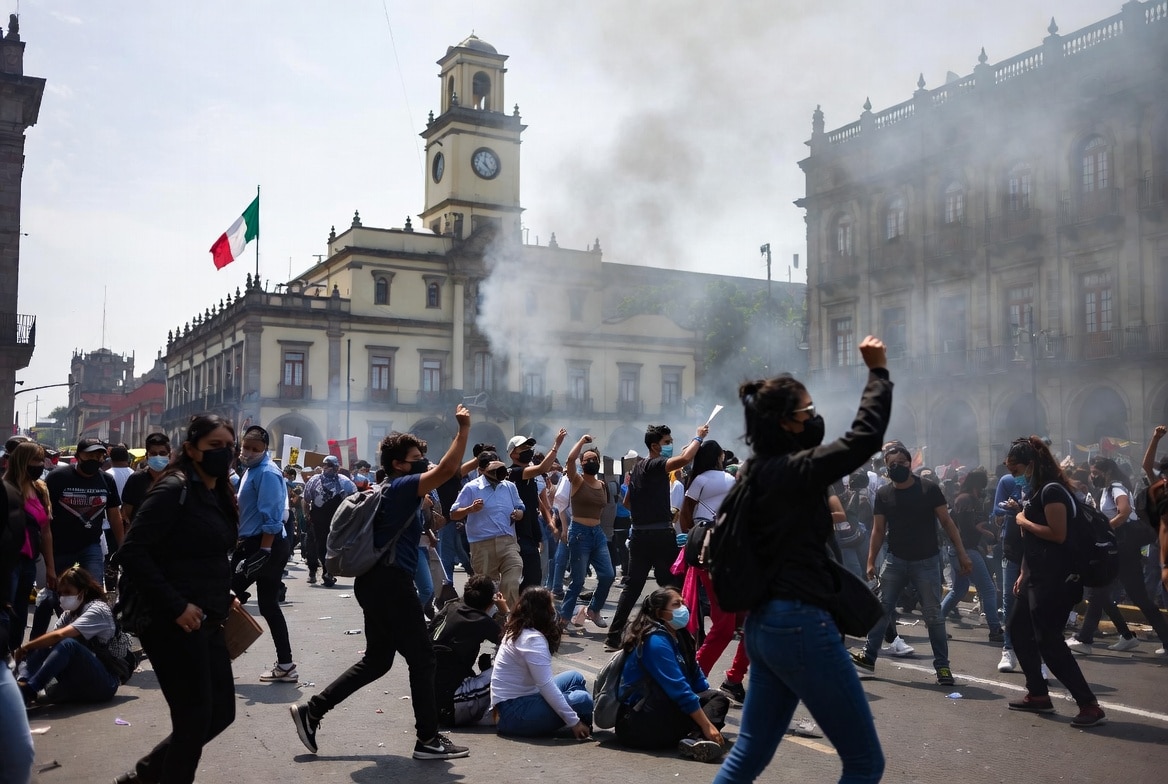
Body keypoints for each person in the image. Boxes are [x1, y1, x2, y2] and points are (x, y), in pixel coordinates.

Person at [712, 335, 890, 784]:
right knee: (865, 763)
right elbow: (864, 437)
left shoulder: (756, 470)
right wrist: (878, 373)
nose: (815, 419)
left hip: (764, 627)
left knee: (748, 752)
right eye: (806, 413)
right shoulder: (793, 471)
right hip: (800, 623)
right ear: (785, 423)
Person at [291, 406, 473, 761]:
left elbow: (452, 471)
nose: (424, 462)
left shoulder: (394, 488)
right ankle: (428, 739)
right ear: (399, 465)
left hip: (375, 583)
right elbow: (448, 469)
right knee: (423, 659)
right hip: (391, 584)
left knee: (377, 661)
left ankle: (312, 711)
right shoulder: (403, 487)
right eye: (417, 458)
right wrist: (463, 429)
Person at [112, 414, 242, 784]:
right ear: (190, 450)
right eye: (214, 446)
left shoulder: (216, 490)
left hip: (208, 617)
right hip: (171, 622)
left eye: (228, 446)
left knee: (220, 714)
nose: (224, 453)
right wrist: (176, 605)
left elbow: (204, 552)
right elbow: (133, 552)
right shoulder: (173, 488)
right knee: (193, 721)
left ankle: (144, 776)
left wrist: (222, 590)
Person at [1003, 437, 1105, 728]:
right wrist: (1024, 571)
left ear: (1032, 464)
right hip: (1037, 575)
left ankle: (1089, 705)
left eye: (1017, 468)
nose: (1013, 474)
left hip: (1057, 578)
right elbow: (1032, 542)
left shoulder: (1052, 491)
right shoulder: (1037, 491)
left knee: (1049, 640)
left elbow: (1057, 534)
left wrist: (1023, 520)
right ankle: (1037, 694)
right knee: (1018, 629)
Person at [852, 443, 973, 685]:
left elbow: (948, 523)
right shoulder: (885, 495)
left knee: (934, 616)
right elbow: (877, 530)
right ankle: (868, 657)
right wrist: (870, 561)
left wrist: (962, 554)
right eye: (892, 465)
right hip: (895, 561)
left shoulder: (929, 489)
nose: (897, 467)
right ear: (887, 468)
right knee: (882, 610)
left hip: (926, 562)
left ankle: (943, 668)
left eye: (901, 463)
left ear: (910, 464)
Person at [604, 423, 709, 651]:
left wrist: (645, 514)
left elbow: (627, 502)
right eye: (667, 442)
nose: (670, 446)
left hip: (640, 535)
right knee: (675, 584)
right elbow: (683, 459)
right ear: (654, 446)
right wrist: (698, 438)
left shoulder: (636, 469)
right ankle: (685, 635)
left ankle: (614, 636)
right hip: (660, 535)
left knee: (634, 586)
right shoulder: (655, 464)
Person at [615, 587, 729, 762]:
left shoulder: (681, 636)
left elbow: (698, 681)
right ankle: (697, 738)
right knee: (688, 702)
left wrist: (709, 701)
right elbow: (679, 689)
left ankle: (695, 739)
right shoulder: (654, 640)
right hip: (638, 723)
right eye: (677, 604)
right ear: (660, 612)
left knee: (717, 698)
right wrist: (707, 724)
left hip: (661, 709)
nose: (684, 608)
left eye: (683, 603)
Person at [1067, 456, 1168, 654]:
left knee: (1102, 592)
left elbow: (1124, 512)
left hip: (1122, 549)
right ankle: (1135, 637)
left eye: (1095, 472)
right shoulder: (1106, 490)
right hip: (1120, 549)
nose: (1092, 476)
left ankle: (1085, 639)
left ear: (1106, 472)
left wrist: (1105, 528)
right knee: (1131, 595)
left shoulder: (1116, 488)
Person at [677, 439, 749, 701]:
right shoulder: (727, 480)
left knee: (738, 622)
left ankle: (726, 678)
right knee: (727, 625)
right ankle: (696, 678)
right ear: (719, 457)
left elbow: (685, 513)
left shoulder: (698, 479)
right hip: (722, 554)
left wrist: (692, 538)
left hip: (706, 552)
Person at [33, 438, 124, 641]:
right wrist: (47, 559)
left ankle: (94, 641)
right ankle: (36, 641)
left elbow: (115, 516)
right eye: (90, 455)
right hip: (59, 547)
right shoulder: (58, 478)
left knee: (93, 594)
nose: (95, 459)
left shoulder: (106, 481)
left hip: (90, 545)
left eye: (99, 455)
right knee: (51, 595)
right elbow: (44, 520)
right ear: (78, 457)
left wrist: (124, 547)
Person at [233, 425, 298, 682]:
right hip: (257, 543)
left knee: (225, 594)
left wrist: (264, 550)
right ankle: (286, 665)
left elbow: (271, 515)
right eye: (245, 447)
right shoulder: (250, 471)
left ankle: (207, 662)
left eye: (254, 448)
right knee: (269, 605)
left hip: (263, 544)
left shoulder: (268, 473)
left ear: (264, 450)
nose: (248, 452)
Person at [489, 586, 592, 738]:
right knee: (583, 700)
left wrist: (503, 606)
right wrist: (574, 722)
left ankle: (582, 721)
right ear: (542, 612)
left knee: (575, 677)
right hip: (514, 714)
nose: (554, 610)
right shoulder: (532, 639)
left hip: (519, 700)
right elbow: (546, 686)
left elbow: (509, 616)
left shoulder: (517, 626)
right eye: (551, 606)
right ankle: (580, 725)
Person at [14, 565, 121, 705]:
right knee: (46, 644)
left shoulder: (98, 609)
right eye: (61, 593)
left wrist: (26, 646)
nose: (63, 597)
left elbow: (60, 635)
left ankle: (30, 690)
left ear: (83, 591)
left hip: (104, 683)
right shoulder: (68, 614)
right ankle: (22, 684)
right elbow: (50, 640)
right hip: (78, 679)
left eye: (68, 592)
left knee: (67, 643)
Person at [450, 454, 526, 608]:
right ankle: (485, 622)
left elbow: (520, 506)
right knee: (485, 589)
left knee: (512, 580)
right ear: (483, 471)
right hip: (482, 544)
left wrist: (519, 513)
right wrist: (471, 508)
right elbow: (454, 513)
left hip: (507, 542)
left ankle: (509, 618)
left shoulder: (509, 486)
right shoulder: (472, 487)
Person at [431, 574, 507, 727]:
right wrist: (505, 611)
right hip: (450, 707)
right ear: (490, 602)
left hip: (427, 703)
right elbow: (515, 642)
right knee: (510, 668)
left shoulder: (450, 607)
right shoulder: (481, 620)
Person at [558, 435, 617, 632]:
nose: (591, 462)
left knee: (608, 575)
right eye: (587, 460)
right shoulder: (577, 480)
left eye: (594, 459)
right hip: (579, 534)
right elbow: (568, 460)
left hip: (597, 534)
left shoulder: (602, 485)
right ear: (581, 464)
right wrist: (582, 442)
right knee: (579, 580)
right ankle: (564, 618)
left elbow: (602, 509)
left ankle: (594, 610)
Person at [939, 469, 1004, 643]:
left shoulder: (972, 500)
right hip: (964, 550)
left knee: (959, 590)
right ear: (978, 484)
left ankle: (935, 624)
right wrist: (980, 529)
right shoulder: (965, 500)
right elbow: (965, 529)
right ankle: (995, 630)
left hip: (965, 549)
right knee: (989, 589)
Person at [2, 441, 54, 652]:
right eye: (35, 460)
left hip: (30, 563)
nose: (40, 464)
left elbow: (46, 532)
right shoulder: (6, 489)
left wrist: (50, 567)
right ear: (22, 462)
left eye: (42, 460)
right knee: (6, 612)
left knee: (20, 614)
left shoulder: (40, 490)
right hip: (8, 562)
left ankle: (14, 655)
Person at [507, 431, 567, 594]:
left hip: (531, 533)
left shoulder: (528, 477)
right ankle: (517, 609)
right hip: (519, 535)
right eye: (523, 448)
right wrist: (556, 445)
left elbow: (538, 502)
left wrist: (549, 523)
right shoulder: (514, 472)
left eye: (529, 447)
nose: (528, 450)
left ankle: (519, 608)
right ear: (512, 453)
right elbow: (543, 467)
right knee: (532, 577)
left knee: (534, 576)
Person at [301, 455, 356, 587]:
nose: (328, 468)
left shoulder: (345, 482)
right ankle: (316, 571)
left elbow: (355, 497)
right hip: (318, 519)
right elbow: (305, 499)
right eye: (326, 465)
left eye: (332, 466)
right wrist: (306, 514)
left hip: (337, 520)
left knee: (333, 546)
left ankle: (329, 572)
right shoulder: (314, 480)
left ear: (337, 467)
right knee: (316, 546)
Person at [121, 433, 172, 526]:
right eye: (153, 454)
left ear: (169, 455)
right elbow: (127, 513)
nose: (158, 457)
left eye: (162, 453)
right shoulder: (136, 479)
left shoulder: (178, 480)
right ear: (147, 456)